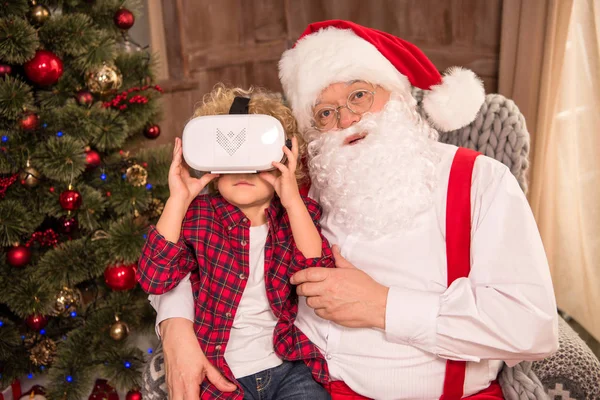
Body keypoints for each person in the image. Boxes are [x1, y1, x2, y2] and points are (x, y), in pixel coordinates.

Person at [150, 21, 559, 400]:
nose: (346, 119)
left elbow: (532, 326)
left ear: (397, 96)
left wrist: (383, 306)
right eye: (325, 112)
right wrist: (177, 328)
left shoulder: (479, 181)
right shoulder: (293, 187)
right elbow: (205, 250)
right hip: (305, 380)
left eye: (359, 95)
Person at [136, 85, 335, 399]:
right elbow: (155, 276)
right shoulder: (199, 216)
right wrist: (178, 199)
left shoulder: (295, 216)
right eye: (232, 157)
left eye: (256, 159)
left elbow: (317, 267)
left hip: (289, 367)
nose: (245, 171)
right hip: (220, 374)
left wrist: (292, 199)